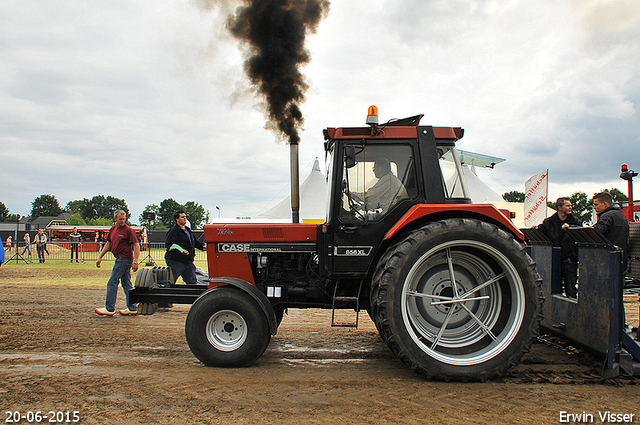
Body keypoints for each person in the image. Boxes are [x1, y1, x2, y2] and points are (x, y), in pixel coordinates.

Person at [95, 210, 140, 316]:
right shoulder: (113, 229)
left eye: (124, 219)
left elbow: (136, 245)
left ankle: (109, 308)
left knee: (112, 282)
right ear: (115, 219)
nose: (122, 221)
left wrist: (136, 261)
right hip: (119, 258)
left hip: (124, 259)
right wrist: (100, 257)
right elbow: (109, 243)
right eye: (120, 219)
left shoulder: (129, 230)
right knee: (126, 284)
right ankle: (132, 307)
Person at [537, 197, 582, 298]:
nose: (570, 207)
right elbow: (541, 236)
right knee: (554, 290)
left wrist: (573, 258)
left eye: (570, 205)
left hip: (569, 262)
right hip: (554, 262)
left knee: (571, 291)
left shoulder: (575, 222)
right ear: (560, 207)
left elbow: (580, 242)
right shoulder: (548, 222)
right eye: (568, 205)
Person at [165, 210, 206, 285]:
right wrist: (181, 251)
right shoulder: (173, 231)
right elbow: (170, 246)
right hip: (176, 262)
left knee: (192, 282)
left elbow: (194, 242)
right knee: (170, 281)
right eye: (182, 217)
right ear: (177, 219)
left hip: (188, 262)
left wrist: (203, 246)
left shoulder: (188, 230)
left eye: (185, 217)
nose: (185, 218)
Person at [592, 192, 630, 271]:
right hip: (621, 259)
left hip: (608, 259)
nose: (594, 207)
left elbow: (594, 233)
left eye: (596, 205)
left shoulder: (607, 216)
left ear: (605, 204)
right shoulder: (621, 215)